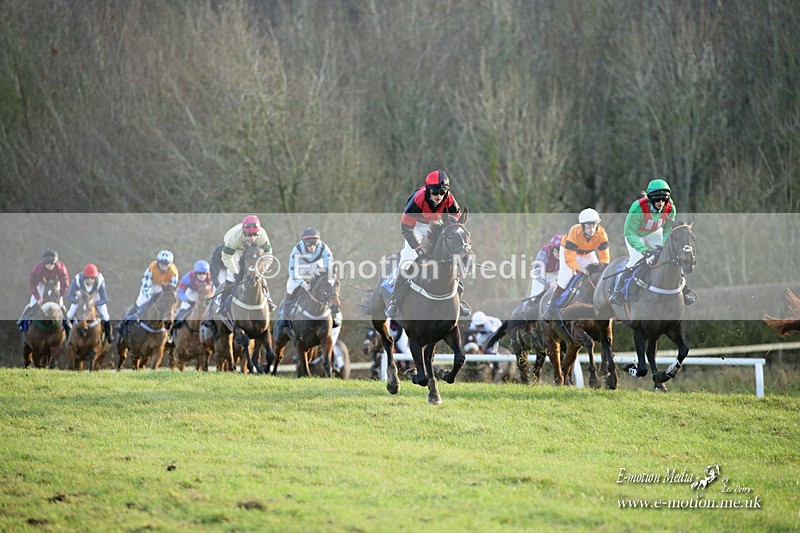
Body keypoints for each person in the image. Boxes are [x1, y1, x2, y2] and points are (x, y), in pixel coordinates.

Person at [385, 170, 471, 318]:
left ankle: (458, 296)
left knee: (451, 258)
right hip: (415, 227)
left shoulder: (449, 199)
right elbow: (406, 228)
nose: (439, 196)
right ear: (428, 190)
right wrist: (419, 251)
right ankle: (395, 301)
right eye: (435, 192)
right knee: (407, 260)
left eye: (442, 193)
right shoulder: (417, 200)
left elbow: (457, 225)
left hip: (437, 224)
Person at [609, 178, 696, 305]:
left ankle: (684, 289)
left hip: (654, 233)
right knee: (636, 259)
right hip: (635, 235)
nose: (661, 202)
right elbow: (629, 234)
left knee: (672, 254)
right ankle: (617, 291)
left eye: (664, 198)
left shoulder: (670, 208)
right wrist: (645, 251)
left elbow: (667, 228)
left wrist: (664, 246)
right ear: (650, 198)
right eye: (657, 199)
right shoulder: (638, 208)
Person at [543, 208, 610, 319]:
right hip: (568, 251)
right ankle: (551, 307)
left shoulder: (602, 233)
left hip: (587, 253)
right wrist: (581, 269)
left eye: (594, 225)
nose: (591, 229)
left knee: (598, 274)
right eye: (588, 226)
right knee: (565, 278)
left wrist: (602, 267)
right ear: (582, 226)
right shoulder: (574, 232)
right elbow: (570, 260)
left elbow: (604, 256)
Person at [276, 227, 339, 328]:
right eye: (309, 244)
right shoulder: (297, 250)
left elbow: (329, 265)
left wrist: (329, 275)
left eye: (314, 244)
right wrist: (303, 284)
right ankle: (285, 318)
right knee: (290, 288)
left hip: (316, 266)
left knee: (329, 286)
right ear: (304, 243)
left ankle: (333, 316)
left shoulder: (324, 248)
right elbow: (292, 272)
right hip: (300, 269)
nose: (312, 247)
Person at [217, 215, 276, 318]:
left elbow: (268, 256)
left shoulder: (262, 237)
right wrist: (235, 272)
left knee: (260, 277)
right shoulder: (233, 238)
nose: (252, 238)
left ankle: (269, 300)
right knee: (231, 277)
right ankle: (222, 305)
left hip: (254, 252)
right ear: (244, 232)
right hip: (235, 250)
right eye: (249, 235)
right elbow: (226, 257)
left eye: (254, 235)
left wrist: (261, 270)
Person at [17, 248, 70, 331]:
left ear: (55, 263)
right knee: (33, 302)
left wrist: (60, 295)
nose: (49, 266)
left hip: (56, 284)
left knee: (61, 304)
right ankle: (23, 320)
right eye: (47, 263)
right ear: (43, 262)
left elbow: (65, 284)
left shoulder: (61, 268)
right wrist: (38, 298)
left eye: (52, 264)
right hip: (41, 284)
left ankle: (67, 322)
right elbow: (32, 284)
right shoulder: (38, 268)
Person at [122, 249, 179, 322]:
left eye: (166, 265)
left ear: (170, 265)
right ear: (158, 262)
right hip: (150, 286)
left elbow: (171, 289)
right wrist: (150, 297)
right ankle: (127, 319)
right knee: (140, 302)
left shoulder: (174, 272)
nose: (163, 267)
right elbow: (145, 286)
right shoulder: (151, 268)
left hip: (163, 289)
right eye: (162, 264)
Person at [66, 263, 111, 341]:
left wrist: (95, 304)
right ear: (84, 277)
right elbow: (70, 295)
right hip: (81, 297)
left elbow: (104, 299)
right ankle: (68, 334)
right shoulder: (78, 280)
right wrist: (77, 301)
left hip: (95, 297)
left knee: (106, 315)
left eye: (92, 278)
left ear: (95, 278)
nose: (90, 280)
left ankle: (108, 335)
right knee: (70, 314)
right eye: (87, 278)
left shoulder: (100, 282)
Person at [529, 234, 562, 298]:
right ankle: (531, 302)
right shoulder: (544, 254)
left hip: (553, 272)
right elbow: (538, 274)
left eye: (562, 249)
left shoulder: (566, 254)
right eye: (557, 249)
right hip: (540, 273)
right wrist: (549, 283)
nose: (559, 253)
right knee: (536, 293)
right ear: (552, 248)